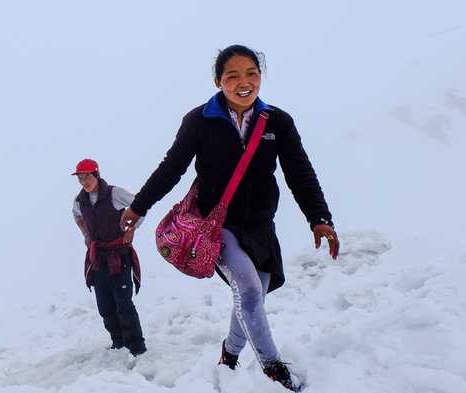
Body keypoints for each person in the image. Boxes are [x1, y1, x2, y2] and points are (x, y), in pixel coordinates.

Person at [120, 45, 339, 391]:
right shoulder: (199, 120)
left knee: (253, 297)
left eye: (252, 73)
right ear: (218, 81)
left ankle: (229, 353)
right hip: (217, 226)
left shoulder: (278, 122)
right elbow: (172, 168)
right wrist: (138, 207)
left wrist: (319, 217)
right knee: (249, 288)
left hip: (261, 225)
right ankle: (273, 369)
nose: (244, 82)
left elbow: (299, 171)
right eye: (232, 75)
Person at [71, 158, 146, 356]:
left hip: (119, 256)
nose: (84, 181)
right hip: (98, 259)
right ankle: (118, 344)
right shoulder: (80, 201)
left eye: (87, 176)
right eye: (80, 178)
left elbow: (140, 206)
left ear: (96, 174)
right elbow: (77, 216)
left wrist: (131, 229)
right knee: (105, 305)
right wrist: (87, 236)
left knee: (123, 303)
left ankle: (136, 347)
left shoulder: (114, 193)